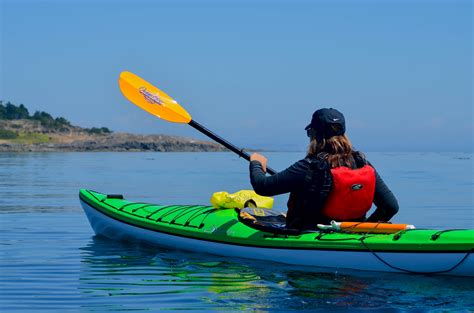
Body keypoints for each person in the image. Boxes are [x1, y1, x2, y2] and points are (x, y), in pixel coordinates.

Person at [249, 108, 399, 230]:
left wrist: (256, 163)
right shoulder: (362, 163)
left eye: (310, 133)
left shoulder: (309, 166)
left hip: (308, 233)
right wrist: (364, 228)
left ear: (315, 135)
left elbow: (263, 187)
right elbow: (390, 206)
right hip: (351, 232)